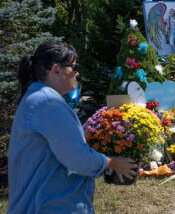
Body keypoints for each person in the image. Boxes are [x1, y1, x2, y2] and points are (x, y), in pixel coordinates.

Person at [7, 42, 137, 214]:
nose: (77, 73)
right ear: (57, 70)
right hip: (50, 206)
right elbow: (78, 158)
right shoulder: (48, 102)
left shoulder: (38, 98)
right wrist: (112, 163)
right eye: (74, 67)